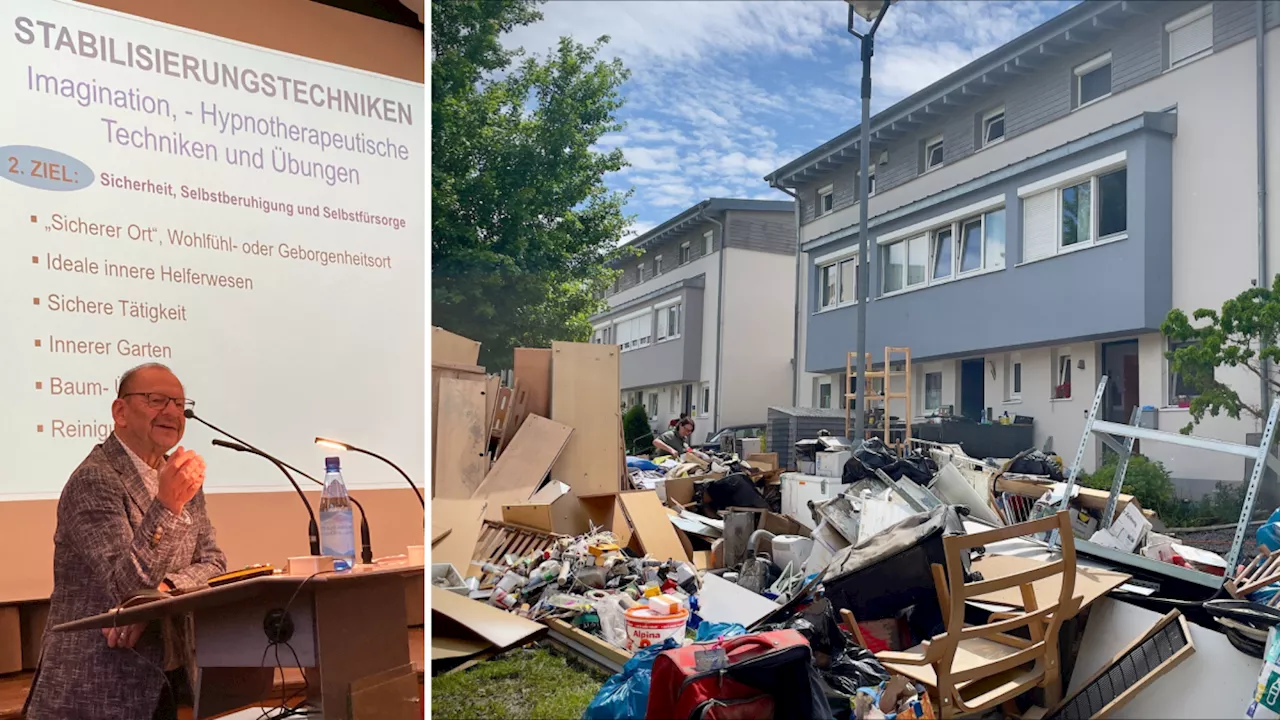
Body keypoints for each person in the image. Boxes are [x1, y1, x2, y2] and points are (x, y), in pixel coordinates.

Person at [25, 363, 228, 720]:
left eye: (179, 404)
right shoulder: (95, 479)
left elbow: (213, 564)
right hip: (97, 688)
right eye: (156, 400)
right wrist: (167, 506)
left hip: (168, 678)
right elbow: (127, 586)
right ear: (120, 411)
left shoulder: (180, 475)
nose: (172, 412)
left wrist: (163, 589)